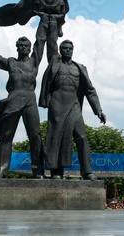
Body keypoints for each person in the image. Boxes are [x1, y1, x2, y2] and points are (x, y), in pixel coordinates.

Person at [0, 14, 48, 178]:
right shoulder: (12, 63)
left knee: (35, 136)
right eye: (20, 46)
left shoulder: (34, 61)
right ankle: (1, 170)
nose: (23, 48)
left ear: (30, 48)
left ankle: (38, 170)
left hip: (29, 100)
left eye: (26, 46)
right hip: (13, 100)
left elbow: (40, 40)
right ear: (17, 48)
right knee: (6, 136)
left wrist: (44, 21)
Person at [39, 17, 106, 180]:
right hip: (57, 106)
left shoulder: (79, 68)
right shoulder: (55, 63)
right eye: (64, 48)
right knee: (56, 138)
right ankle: (56, 171)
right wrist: (52, 22)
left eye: (70, 48)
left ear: (73, 50)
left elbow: (90, 90)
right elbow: (52, 42)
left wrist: (99, 110)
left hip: (74, 107)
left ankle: (87, 171)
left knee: (81, 137)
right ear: (61, 50)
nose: (67, 50)